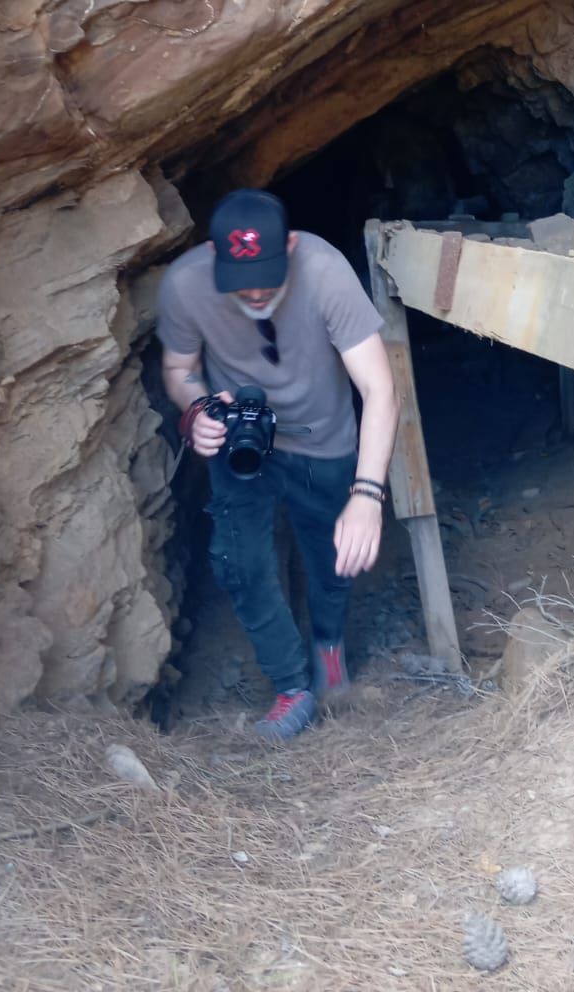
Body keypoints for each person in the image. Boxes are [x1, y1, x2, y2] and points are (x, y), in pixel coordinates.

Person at [157, 188, 399, 742]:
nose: (257, 292)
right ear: (215, 259)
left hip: (325, 440)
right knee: (239, 563)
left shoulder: (324, 271)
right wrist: (195, 409)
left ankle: (329, 645)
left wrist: (367, 496)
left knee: (334, 556)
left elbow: (379, 389)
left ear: (289, 245)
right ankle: (292, 685)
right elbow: (178, 366)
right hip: (241, 446)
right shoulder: (186, 284)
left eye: (269, 275)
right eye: (241, 283)